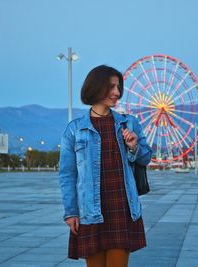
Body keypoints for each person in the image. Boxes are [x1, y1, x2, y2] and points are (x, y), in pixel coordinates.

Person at [59, 65, 152, 267]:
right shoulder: (75, 129)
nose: (117, 93)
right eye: (111, 87)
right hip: (90, 210)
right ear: (96, 87)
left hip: (122, 207)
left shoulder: (129, 123)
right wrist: (71, 212)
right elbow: (67, 175)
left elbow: (145, 158)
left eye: (118, 87)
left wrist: (134, 146)